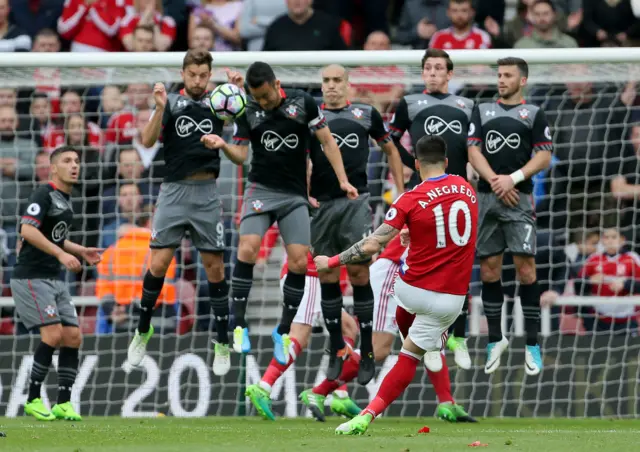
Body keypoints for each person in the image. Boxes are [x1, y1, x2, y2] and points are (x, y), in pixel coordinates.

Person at [314, 135, 478, 435]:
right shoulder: (467, 189)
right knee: (409, 352)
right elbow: (445, 226)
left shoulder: (410, 198)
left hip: (409, 288)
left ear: (415, 164)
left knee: (387, 337)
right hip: (453, 300)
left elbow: (372, 243)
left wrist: (333, 261)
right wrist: (414, 234)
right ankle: (370, 411)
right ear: (448, 162)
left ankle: (324, 388)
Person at [203, 61, 357, 365]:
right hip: (261, 189)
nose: (262, 102)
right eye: (256, 98)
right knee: (247, 248)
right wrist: (223, 145)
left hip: (294, 195)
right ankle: (239, 325)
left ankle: (283, 330)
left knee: (300, 261)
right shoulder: (248, 110)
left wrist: (342, 179)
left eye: (265, 96)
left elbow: (327, 141)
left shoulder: (303, 103)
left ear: (277, 84)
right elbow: (241, 155)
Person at [127, 50, 245, 377]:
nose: (196, 81)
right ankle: (143, 329)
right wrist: (159, 108)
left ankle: (221, 340)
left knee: (215, 269)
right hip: (173, 191)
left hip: (207, 193)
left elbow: (241, 152)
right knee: (158, 264)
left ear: (210, 75)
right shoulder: (172, 103)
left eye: (202, 75)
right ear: (184, 72)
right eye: (192, 74)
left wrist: (237, 102)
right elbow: (147, 141)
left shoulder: (221, 103)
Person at [302, 235, 477, 423]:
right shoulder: (432, 209)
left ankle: (447, 403)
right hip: (393, 274)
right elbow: (404, 230)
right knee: (378, 349)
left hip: (418, 279)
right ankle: (319, 392)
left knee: (431, 337)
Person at [389, 48, 489, 369]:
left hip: (457, 196)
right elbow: (389, 141)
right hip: (425, 197)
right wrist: (412, 166)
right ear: (422, 74)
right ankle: (430, 339)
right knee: (424, 266)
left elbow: (473, 148)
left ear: (450, 74)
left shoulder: (467, 106)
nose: (432, 73)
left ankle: (457, 338)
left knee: (459, 268)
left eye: (438, 68)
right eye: (428, 68)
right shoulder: (409, 103)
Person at [308, 64, 405, 384]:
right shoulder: (310, 115)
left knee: (360, 272)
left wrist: (401, 192)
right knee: (327, 273)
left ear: (348, 85)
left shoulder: (365, 113)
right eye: (326, 81)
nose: (331, 86)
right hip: (321, 205)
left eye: (337, 80)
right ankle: (337, 348)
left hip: (356, 203)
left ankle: (365, 352)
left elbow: (391, 149)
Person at [467, 57, 553, 376]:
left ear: (523, 81)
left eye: (508, 75)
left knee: (525, 269)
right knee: (489, 269)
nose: (501, 80)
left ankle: (532, 345)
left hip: (519, 198)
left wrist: (512, 178)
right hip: (487, 196)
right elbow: (473, 150)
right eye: (499, 75)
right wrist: (494, 180)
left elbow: (544, 155)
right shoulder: (482, 110)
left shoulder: (533, 113)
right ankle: (494, 339)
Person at [11, 146, 103, 421]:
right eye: (67, 161)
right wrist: (62, 254)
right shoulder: (44, 192)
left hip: (53, 278)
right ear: (53, 167)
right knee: (52, 335)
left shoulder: (65, 198)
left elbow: (53, 236)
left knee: (73, 337)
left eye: (76, 160)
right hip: (31, 276)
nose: (74, 165)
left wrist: (79, 251)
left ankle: (63, 403)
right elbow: (27, 230)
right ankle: (33, 399)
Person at [244, 252, 362, 421]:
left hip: (315, 277)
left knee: (348, 327)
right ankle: (263, 387)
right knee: (299, 334)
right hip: (309, 276)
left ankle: (340, 395)